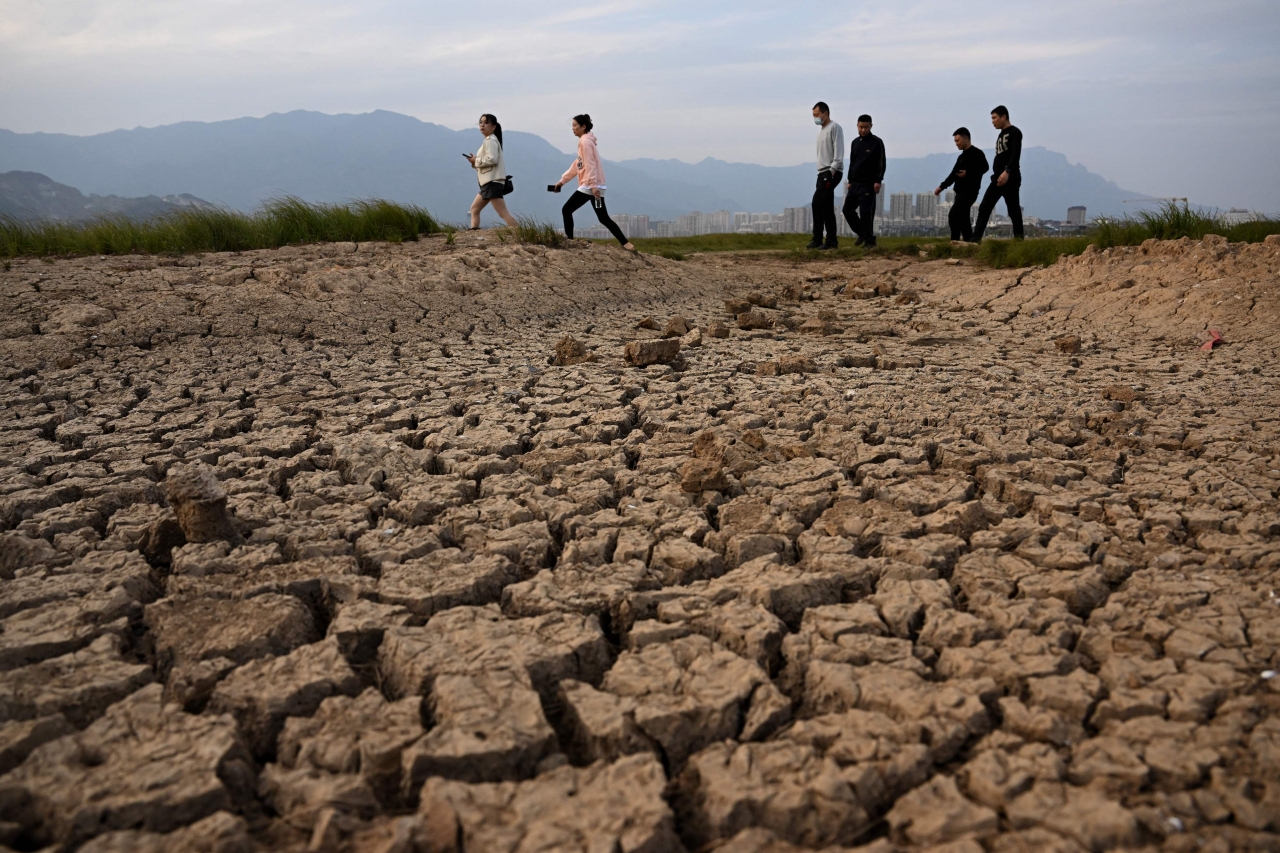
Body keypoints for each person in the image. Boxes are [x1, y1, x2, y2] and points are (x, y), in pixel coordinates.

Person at [552, 114, 635, 251]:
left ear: (583, 127)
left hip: (589, 186)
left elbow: (590, 165)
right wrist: (562, 182)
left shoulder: (585, 143)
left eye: (574, 126)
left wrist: (592, 185)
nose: (572, 129)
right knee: (603, 218)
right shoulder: (586, 142)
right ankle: (627, 244)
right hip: (595, 185)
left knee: (566, 210)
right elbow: (577, 165)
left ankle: (570, 242)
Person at [972, 105, 1024, 241]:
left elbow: (1015, 155)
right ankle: (975, 240)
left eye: (994, 118)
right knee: (984, 207)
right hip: (997, 179)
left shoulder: (1015, 132)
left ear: (1004, 116)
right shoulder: (1001, 134)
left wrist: (1007, 171)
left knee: (1013, 211)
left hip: (1010, 178)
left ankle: (1019, 241)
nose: (992, 121)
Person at [934, 127, 989, 243]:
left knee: (953, 215)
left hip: (970, 192)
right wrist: (941, 187)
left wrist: (968, 173)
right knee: (964, 220)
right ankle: (970, 243)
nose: (956, 144)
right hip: (959, 192)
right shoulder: (961, 157)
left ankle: (954, 241)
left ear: (966, 139)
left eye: (958, 141)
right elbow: (953, 174)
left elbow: (985, 168)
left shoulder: (977, 153)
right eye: (955, 141)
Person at [464, 113, 519, 230]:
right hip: (488, 183)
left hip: (492, 182)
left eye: (486, 122)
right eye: (481, 122)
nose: (482, 125)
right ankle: (474, 232)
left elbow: (492, 159)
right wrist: (474, 162)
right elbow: (488, 161)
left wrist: (476, 160)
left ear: (494, 126)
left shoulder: (490, 140)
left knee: (502, 213)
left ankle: (520, 232)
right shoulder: (489, 140)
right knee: (474, 209)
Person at [842, 114, 885, 248]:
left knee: (866, 213)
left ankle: (869, 242)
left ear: (871, 126)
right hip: (855, 183)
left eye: (866, 127)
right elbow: (852, 162)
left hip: (869, 184)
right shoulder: (855, 142)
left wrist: (878, 181)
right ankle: (863, 233)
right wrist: (850, 180)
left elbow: (881, 163)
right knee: (847, 210)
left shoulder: (877, 142)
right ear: (857, 126)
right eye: (861, 127)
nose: (863, 130)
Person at [808, 102, 844, 249]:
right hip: (821, 172)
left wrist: (832, 170)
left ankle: (823, 239)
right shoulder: (820, 131)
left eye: (817, 115)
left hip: (831, 171)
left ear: (825, 113)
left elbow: (838, 151)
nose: (815, 118)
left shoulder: (834, 128)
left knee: (817, 203)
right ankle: (826, 241)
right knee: (825, 207)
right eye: (813, 116)